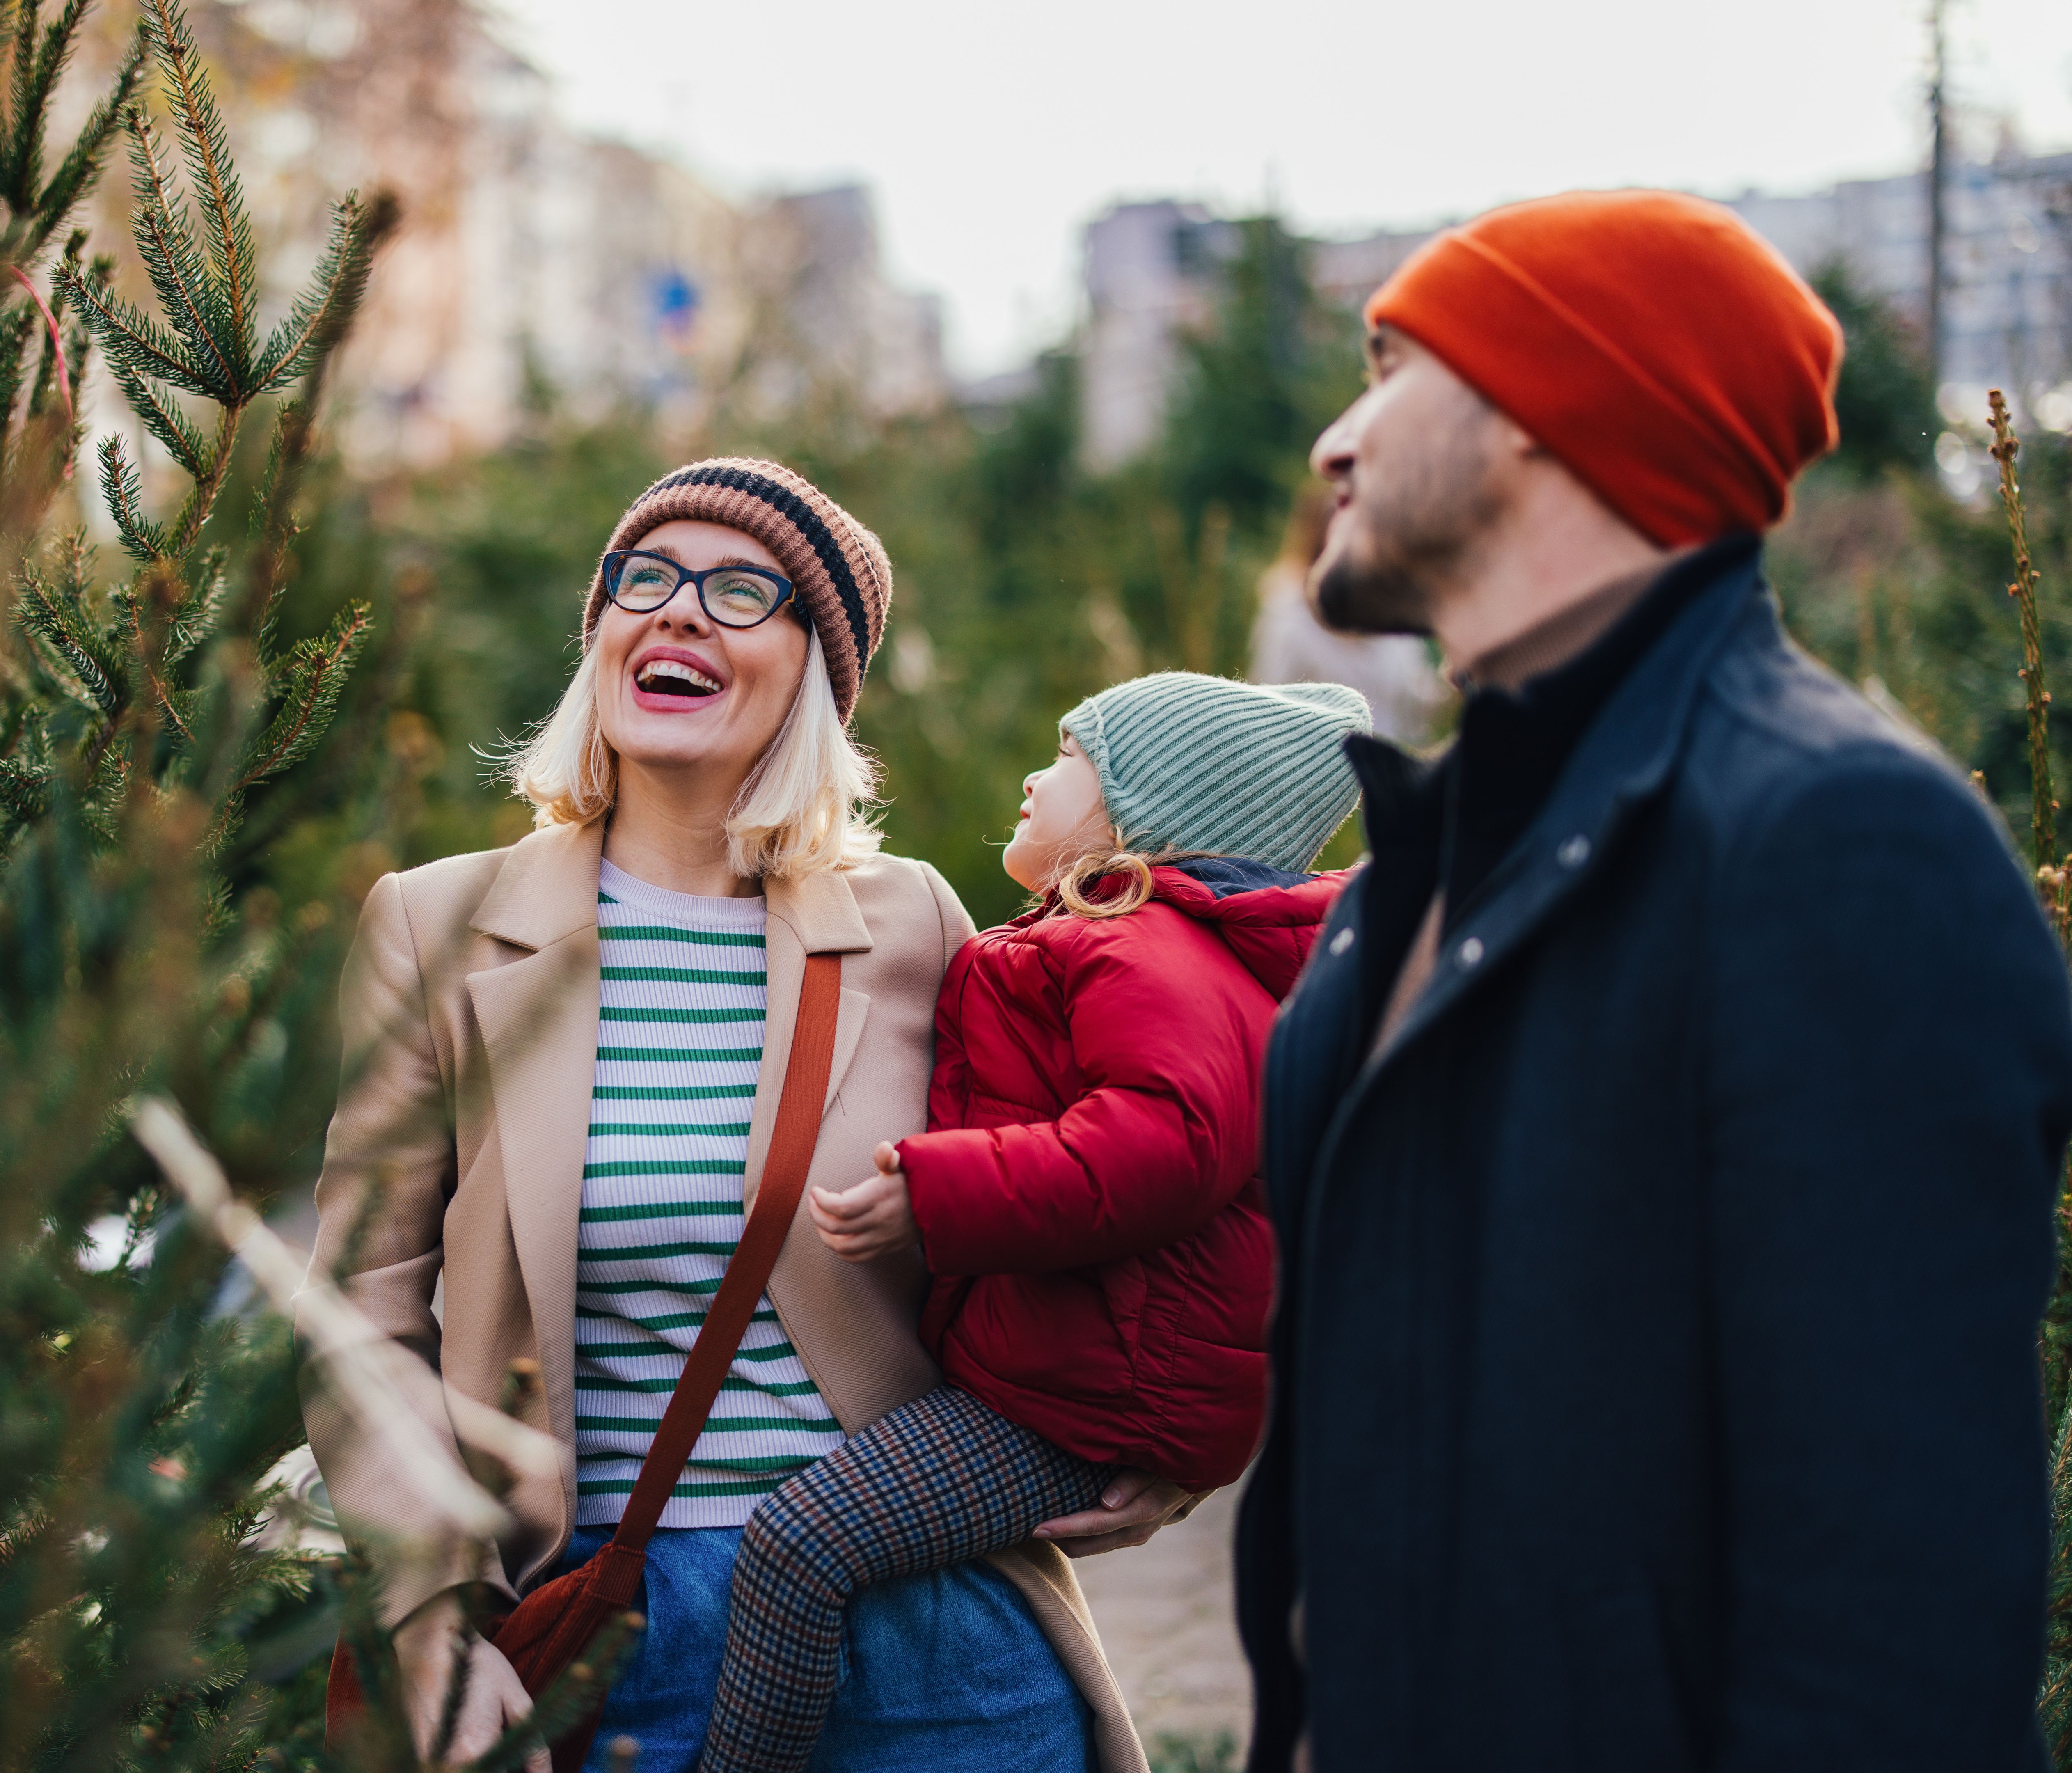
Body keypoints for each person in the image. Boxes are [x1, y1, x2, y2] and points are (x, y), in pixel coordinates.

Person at [1234, 189, 2072, 1773]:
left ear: (1544, 403)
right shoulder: (1408, 872)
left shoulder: (1833, 839)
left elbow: (1889, 1625)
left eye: (1389, 370)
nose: (1333, 443)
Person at [302, 458, 1187, 1773]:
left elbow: (1120, 1180)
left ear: (813, 672)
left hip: (931, 1618)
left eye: (738, 591)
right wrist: (429, 1612)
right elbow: (357, 1311)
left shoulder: (911, 922)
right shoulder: (437, 927)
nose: (676, 610)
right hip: (611, 1626)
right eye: (644, 580)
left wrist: (1172, 1440)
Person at [695, 669, 1369, 1773]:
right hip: (1078, 1364)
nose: (1032, 776)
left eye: (1067, 759)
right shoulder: (1119, 940)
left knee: (801, 1546)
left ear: (1146, 812)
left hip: (1089, 1392)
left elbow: (1167, 1143)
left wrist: (937, 1192)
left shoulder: (1142, 949)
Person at [1247, 484, 1447, 742]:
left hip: (1388, 759)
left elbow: (1419, 703)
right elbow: (1268, 710)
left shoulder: (1395, 619)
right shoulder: (1289, 619)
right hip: (1318, 762)